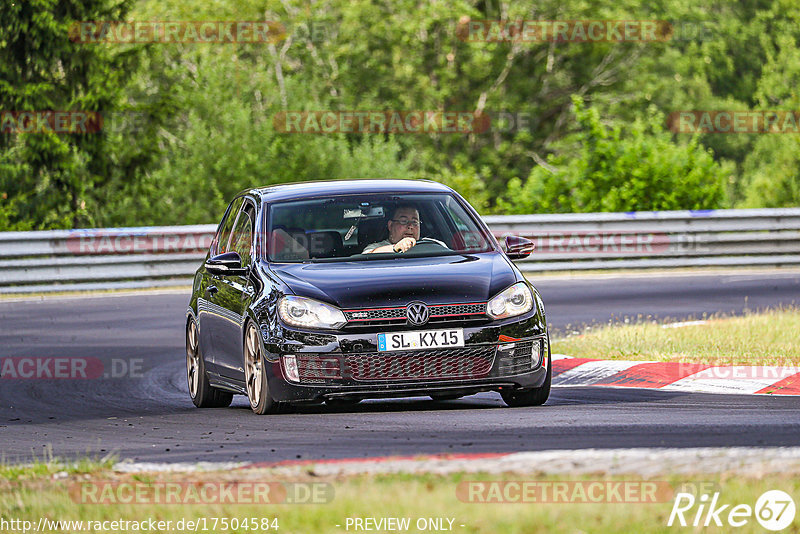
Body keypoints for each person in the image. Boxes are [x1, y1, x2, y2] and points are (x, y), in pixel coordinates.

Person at [363, 204, 448, 254]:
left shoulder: (435, 244)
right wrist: (395, 248)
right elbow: (368, 257)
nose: (410, 226)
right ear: (390, 225)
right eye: (404, 221)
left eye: (415, 222)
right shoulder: (377, 248)